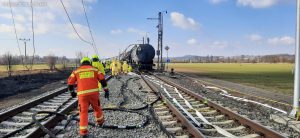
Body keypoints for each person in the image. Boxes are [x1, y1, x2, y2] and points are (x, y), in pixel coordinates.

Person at [68, 57, 109, 137]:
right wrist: (106, 90)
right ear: (89, 62)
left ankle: (83, 132)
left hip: (82, 96)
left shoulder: (76, 71)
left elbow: (70, 83)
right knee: (97, 108)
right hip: (94, 94)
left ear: (81, 63)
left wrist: (72, 92)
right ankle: (100, 122)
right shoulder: (95, 69)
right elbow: (102, 80)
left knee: (83, 112)